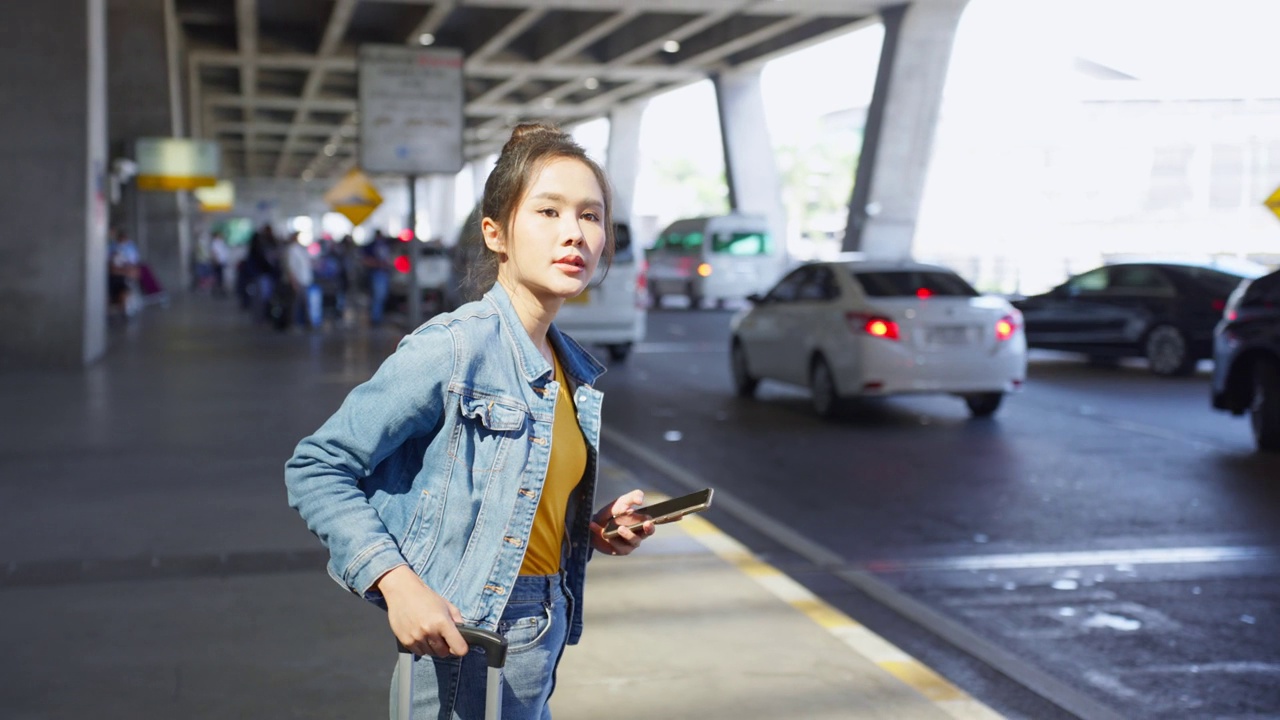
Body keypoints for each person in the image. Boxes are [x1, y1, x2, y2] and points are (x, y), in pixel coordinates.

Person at [284, 122, 656, 719]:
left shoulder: (565, 363)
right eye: (549, 212)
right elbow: (317, 467)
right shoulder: (455, 348)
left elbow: (504, 501)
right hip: (467, 641)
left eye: (590, 216)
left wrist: (585, 528)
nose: (575, 234)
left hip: (541, 631)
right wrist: (396, 583)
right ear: (496, 232)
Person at [361, 229, 396, 326]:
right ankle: (375, 318)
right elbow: (366, 260)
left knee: (380, 296)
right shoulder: (372, 246)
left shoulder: (384, 245)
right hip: (377, 273)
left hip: (383, 273)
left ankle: (377, 317)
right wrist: (378, 264)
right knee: (378, 296)